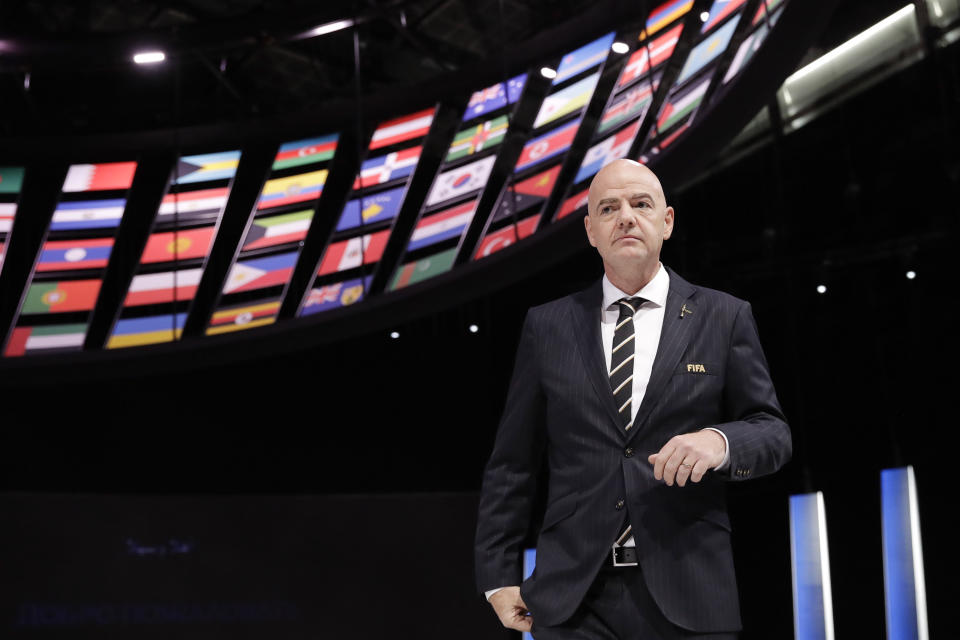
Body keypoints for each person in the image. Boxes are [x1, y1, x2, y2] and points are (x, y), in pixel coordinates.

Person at [474, 159, 791, 639]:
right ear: (591, 232)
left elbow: (772, 431)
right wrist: (497, 579)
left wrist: (719, 441)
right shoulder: (548, 327)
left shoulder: (724, 316)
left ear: (666, 222)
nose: (626, 216)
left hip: (689, 590)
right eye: (608, 208)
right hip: (573, 599)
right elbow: (512, 463)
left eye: (641, 203)